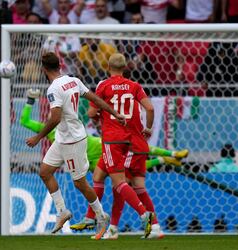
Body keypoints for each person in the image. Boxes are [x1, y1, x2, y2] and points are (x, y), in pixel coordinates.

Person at [21, 88, 188, 237]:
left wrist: (30, 101)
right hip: (101, 157)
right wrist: (30, 100)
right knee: (111, 181)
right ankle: (103, 222)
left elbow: (92, 113)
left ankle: (124, 220)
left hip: (110, 147)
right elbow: (25, 122)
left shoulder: (85, 138)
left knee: (121, 182)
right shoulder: (52, 132)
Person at [25, 52, 126, 237]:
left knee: (79, 183)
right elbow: (94, 98)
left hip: (73, 140)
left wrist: (38, 137)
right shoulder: (74, 80)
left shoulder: (54, 88)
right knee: (45, 172)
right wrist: (115, 112)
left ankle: (101, 215)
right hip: (62, 138)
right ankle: (62, 211)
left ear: (43, 69)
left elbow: (55, 118)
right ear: (59, 65)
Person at [90, 53, 155, 239]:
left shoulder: (104, 85)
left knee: (118, 182)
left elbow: (93, 111)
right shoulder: (134, 86)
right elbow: (149, 108)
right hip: (129, 140)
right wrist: (148, 128)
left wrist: (97, 116)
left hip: (112, 138)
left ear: (108, 67)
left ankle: (144, 215)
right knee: (102, 176)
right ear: (125, 67)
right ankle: (109, 226)